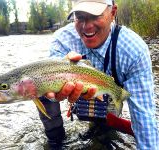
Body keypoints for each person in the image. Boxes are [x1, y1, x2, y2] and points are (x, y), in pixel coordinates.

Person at [38, 0, 159, 149]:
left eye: (95, 16)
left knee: (103, 131)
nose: (87, 26)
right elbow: (47, 84)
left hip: (108, 92)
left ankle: (101, 135)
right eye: (80, 16)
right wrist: (58, 77)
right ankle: (55, 139)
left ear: (113, 13)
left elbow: (144, 115)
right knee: (40, 87)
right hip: (73, 91)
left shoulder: (133, 50)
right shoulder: (62, 39)